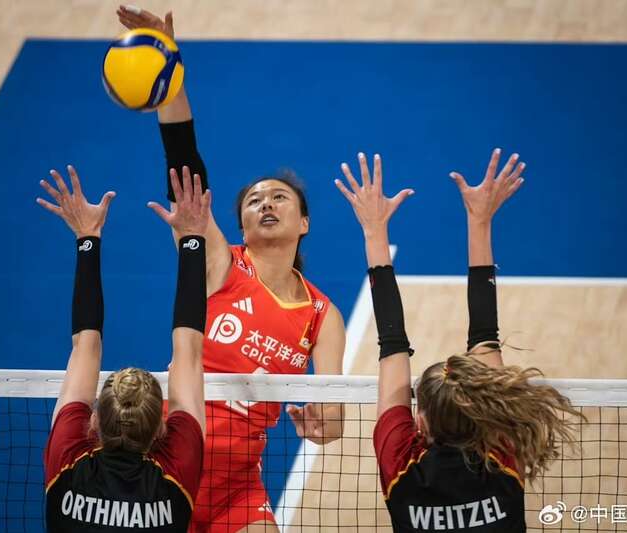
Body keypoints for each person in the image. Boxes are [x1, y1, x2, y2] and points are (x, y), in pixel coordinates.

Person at [116, 6, 346, 533]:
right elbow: (184, 166)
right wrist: (169, 74)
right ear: (240, 224)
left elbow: (334, 412)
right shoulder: (221, 264)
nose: (265, 203)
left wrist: (323, 423)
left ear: (304, 222)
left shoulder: (321, 315)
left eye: (279, 197)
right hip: (167, 467)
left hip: (237, 488)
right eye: (254, 200)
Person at [336, 149, 583, 532]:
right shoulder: (499, 454)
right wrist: (480, 220)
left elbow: (398, 344)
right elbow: (415, 343)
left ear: (420, 422)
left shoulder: (405, 467)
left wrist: (374, 230)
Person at [38, 164, 211, 532]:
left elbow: (85, 346)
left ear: (94, 422)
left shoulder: (68, 463)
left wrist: (87, 235)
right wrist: (192, 239)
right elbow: (190, 351)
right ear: (161, 427)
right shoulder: (175, 475)